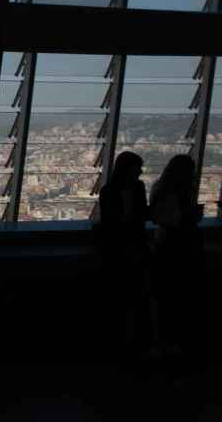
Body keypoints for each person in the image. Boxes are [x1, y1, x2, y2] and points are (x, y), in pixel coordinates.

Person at [95, 151, 152, 367]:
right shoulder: (126, 190)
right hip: (126, 248)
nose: (140, 171)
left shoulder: (114, 191)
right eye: (137, 167)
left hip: (123, 248)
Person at [148, 154, 203, 359]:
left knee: (164, 294)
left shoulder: (159, 189)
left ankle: (162, 340)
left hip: (166, 244)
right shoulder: (181, 192)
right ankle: (173, 341)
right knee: (179, 294)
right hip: (182, 245)